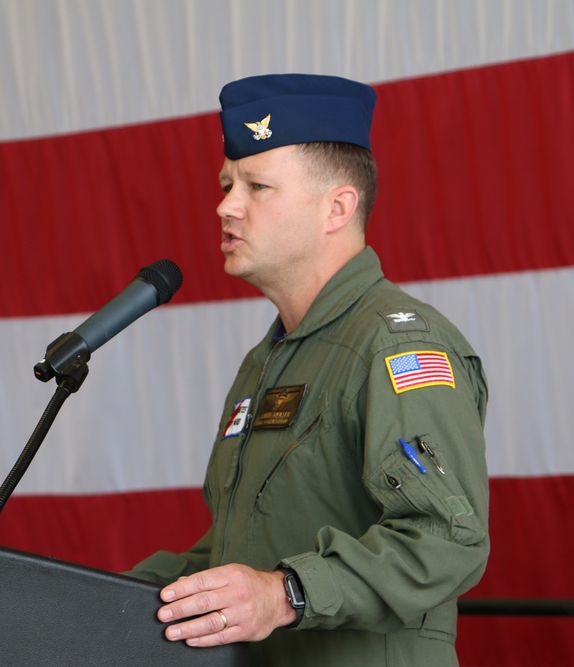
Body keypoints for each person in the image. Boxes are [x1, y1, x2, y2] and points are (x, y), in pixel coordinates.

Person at [126, 73, 490, 666]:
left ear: (337, 208)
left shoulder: (396, 349)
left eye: (257, 186)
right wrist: (94, 595)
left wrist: (284, 593)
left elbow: (448, 539)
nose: (226, 205)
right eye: (226, 184)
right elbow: (242, 552)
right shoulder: (269, 359)